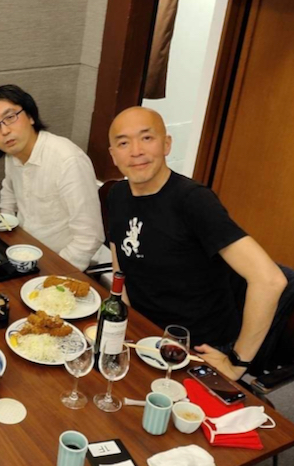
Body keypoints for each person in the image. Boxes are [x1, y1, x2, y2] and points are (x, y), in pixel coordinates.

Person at [106, 106, 288, 380]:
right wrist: (125, 322)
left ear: (166, 144)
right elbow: (120, 262)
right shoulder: (117, 195)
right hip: (144, 336)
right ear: (113, 155)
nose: (136, 151)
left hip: (197, 349)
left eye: (147, 138)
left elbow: (270, 280)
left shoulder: (193, 201)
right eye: (123, 143)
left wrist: (236, 363)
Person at [0, 84, 104, 271]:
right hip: (22, 252)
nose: (4, 131)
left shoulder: (67, 160)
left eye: (10, 117)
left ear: (31, 116)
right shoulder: (12, 155)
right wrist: (4, 226)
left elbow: (90, 237)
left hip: (59, 261)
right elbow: (9, 191)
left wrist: (52, 273)